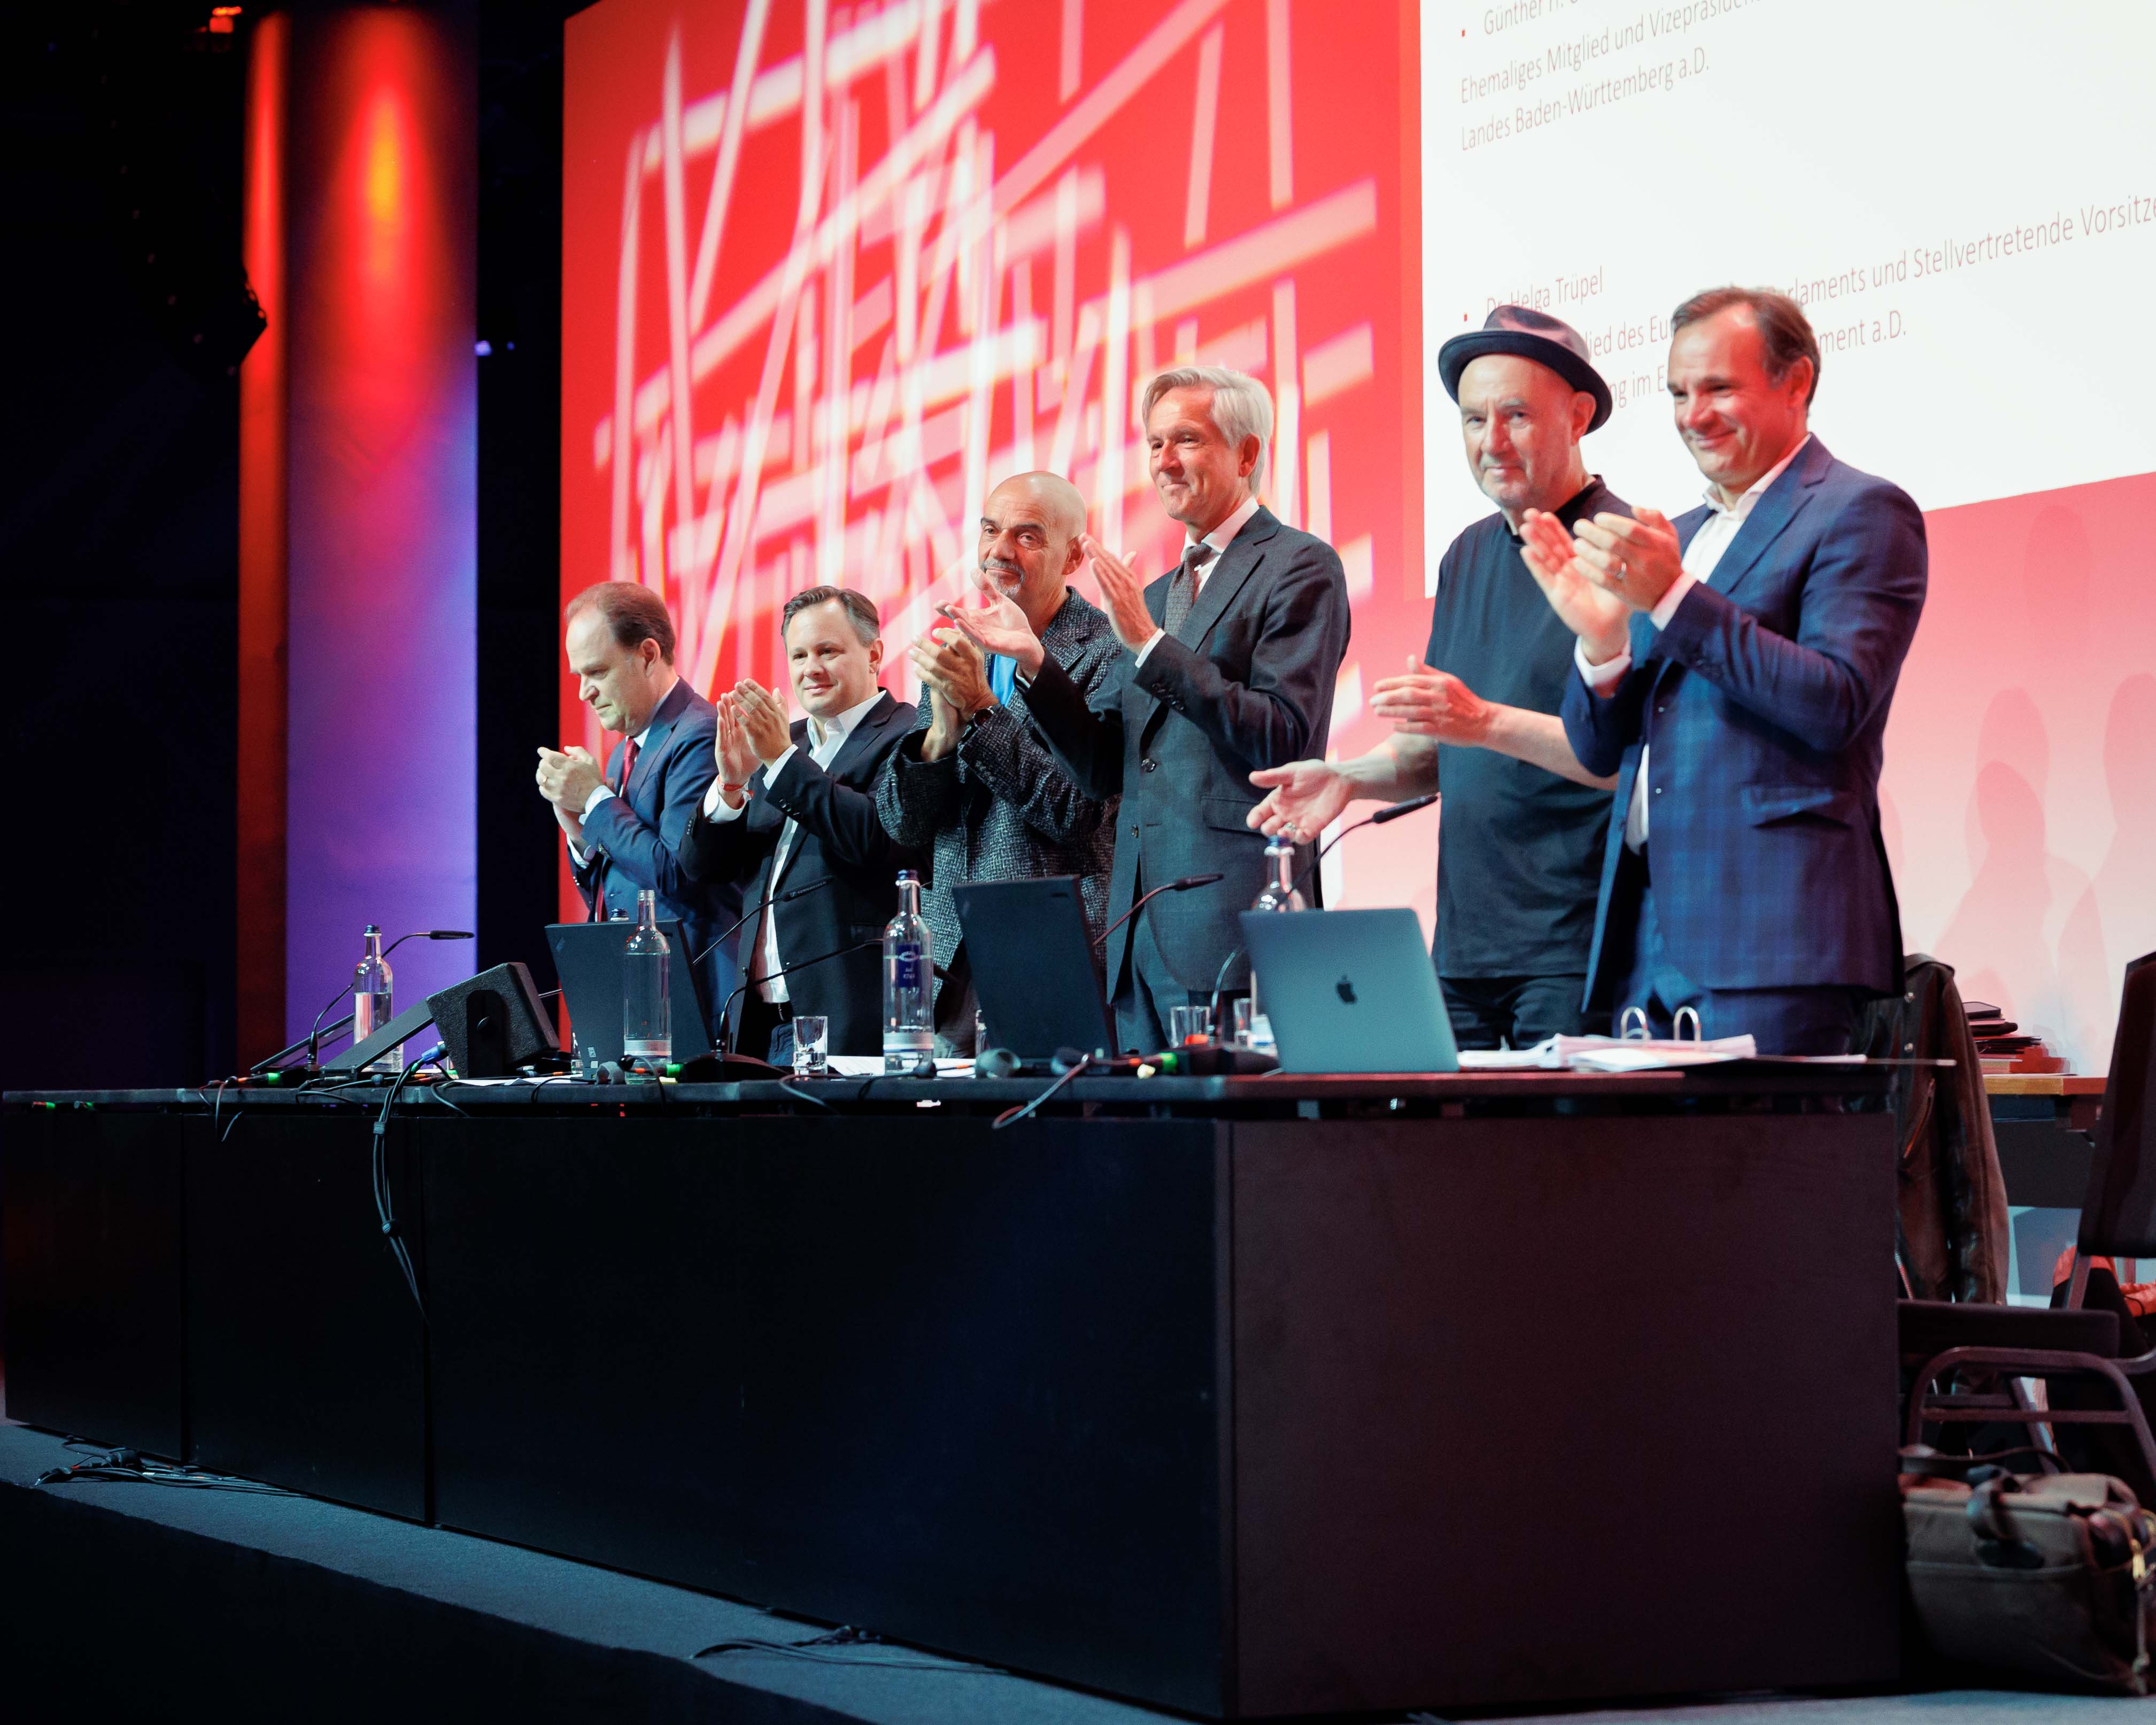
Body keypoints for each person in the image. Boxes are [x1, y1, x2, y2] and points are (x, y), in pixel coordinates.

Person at [1519, 286, 1927, 1054]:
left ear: (1795, 382)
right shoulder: (1678, 535)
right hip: (1641, 940)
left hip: (1774, 944)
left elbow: (1836, 700)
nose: (1692, 415)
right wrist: (1603, 643)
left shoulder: (1861, 512)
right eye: (1679, 392)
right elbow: (1600, 750)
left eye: (1719, 388)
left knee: (1773, 1178)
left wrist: (1671, 597)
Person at [1247, 306, 1624, 1050]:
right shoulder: (1468, 555)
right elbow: (1440, 749)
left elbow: (1626, 756)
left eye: (1516, 415)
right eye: (1473, 419)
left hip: (1577, 950)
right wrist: (1350, 775)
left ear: (1578, 417)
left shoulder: (1623, 548)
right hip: (1462, 949)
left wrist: (1481, 720)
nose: (1492, 441)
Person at [941, 367, 1350, 1053]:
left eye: (1185, 440)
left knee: (1230, 1154)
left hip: (1234, 924)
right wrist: (1037, 666)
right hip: (1136, 936)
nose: (1163, 461)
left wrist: (1151, 645)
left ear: (1247, 455)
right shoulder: (1156, 593)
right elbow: (1102, 766)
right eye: (1154, 443)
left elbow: (1285, 736)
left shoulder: (1299, 566)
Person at [875, 472, 1122, 1054]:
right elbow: (904, 824)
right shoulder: (965, 644)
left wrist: (984, 712)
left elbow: (1075, 811)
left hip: (1052, 944)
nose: (999, 550)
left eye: (1027, 536)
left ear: (1072, 556)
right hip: (951, 952)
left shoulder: (1109, 651)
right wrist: (939, 734)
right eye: (989, 530)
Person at [677, 587, 918, 1062]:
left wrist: (779, 760)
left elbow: (873, 837)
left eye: (828, 651)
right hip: (761, 1026)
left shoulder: (907, 734)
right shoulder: (781, 746)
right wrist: (730, 785)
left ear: (873, 655)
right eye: (799, 654)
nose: (811, 669)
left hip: (853, 1017)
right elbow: (702, 868)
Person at [538, 582, 740, 1037]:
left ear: (648, 654)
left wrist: (596, 800)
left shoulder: (699, 735)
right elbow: (617, 888)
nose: (584, 694)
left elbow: (677, 873)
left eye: (597, 672)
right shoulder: (624, 752)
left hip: (693, 991)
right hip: (641, 989)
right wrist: (580, 835)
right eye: (578, 677)